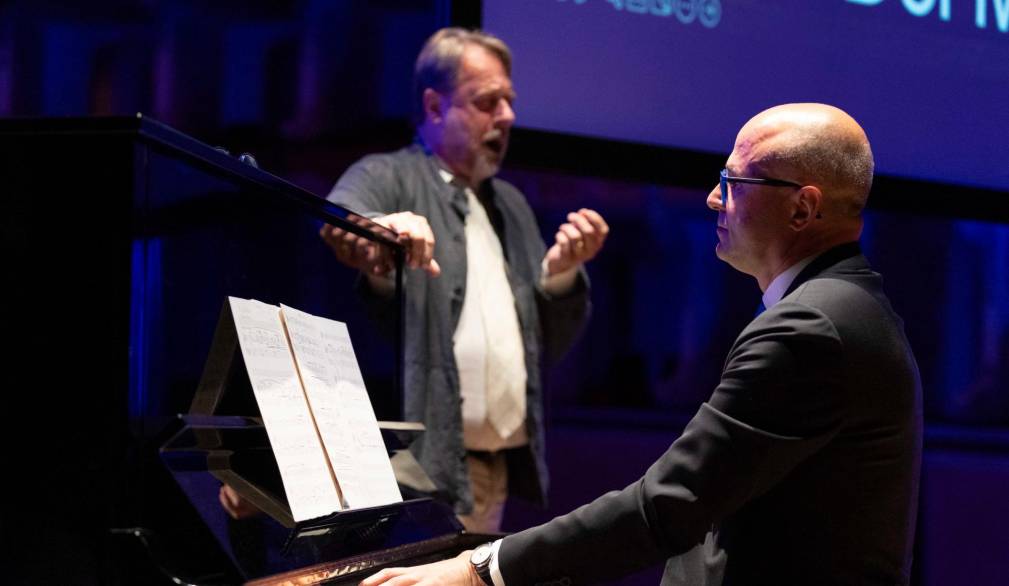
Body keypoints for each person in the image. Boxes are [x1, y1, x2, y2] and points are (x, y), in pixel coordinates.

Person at [359, 103, 923, 585]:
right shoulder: (842, 308)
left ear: (802, 207)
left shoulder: (811, 329)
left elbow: (665, 507)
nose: (711, 198)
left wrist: (478, 570)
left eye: (732, 183)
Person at [319, 28, 608, 534]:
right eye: (486, 102)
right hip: (412, 469)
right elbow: (339, 219)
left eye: (509, 101)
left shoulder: (511, 205)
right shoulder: (389, 174)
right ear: (434, 107)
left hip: (486, 470)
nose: (507, 117)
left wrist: (561, 275)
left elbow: (541, 345)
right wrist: (383, 230)